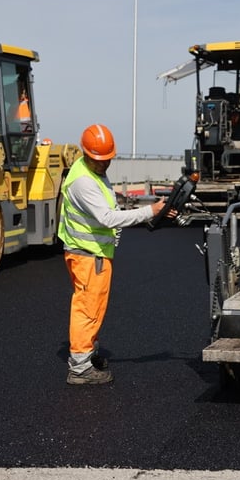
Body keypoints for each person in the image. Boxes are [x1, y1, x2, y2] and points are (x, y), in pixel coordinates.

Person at [58, 124, 173, 385]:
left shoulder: (92, 171)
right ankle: (79, 369)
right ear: (86, 154)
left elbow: (109, 205)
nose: (103, 165)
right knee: (87, 310)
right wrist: (149, 212)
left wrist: (154, 211)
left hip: (92, 253)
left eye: (107, 160)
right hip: (88, 255)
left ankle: (88, 354)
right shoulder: (83, 182)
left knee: (94, 308)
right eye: (98, 160)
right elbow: (108, 217)